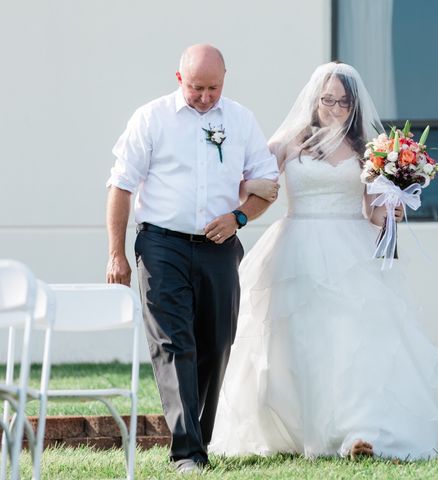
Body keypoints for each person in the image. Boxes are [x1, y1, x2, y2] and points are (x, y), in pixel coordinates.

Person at [209, 62, 438, 460]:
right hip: (296, 245)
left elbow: (373, 213)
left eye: (343, 101)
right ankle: (300, 427)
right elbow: (255, 185)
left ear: (353, 105)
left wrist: (393, 208)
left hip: (351, 248)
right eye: (328, 99)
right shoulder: (288, 144)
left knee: (354, 340)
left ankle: (357, 431)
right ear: (314, 100)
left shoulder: (367, 150)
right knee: (298, 340)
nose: (335, 107)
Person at [105, 44, 279, 473]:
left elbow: (267, 184)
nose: (205, 96)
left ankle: (199, 436)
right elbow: (121, 186)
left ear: (225, 80)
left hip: (219, 246)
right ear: (179, 79)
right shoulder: (151, 118)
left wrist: (238, 217)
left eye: (213, 88)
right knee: (173, 342)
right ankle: (188, 452)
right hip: (162, 244)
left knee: (217, 343)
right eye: (197, 87)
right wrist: (117, 254)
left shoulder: (240, 120)